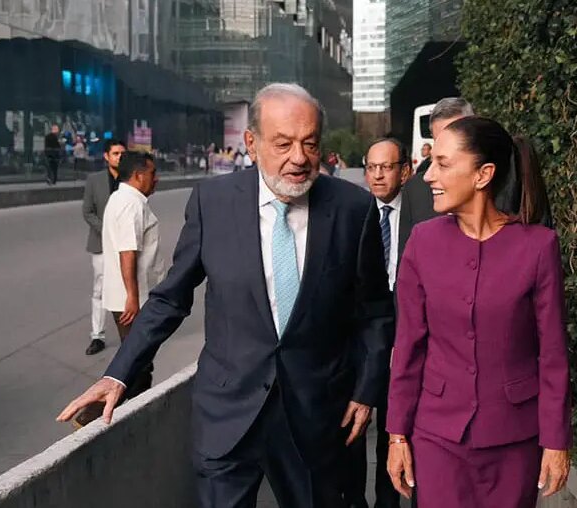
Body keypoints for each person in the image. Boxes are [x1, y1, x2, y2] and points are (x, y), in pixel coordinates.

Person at [57, 83, 394, 508]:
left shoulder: (352, 209)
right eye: (284, 143)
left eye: (310, 143)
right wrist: (118, 374)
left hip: (315, 416)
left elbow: (376, 313)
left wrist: (366, 390)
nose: (299, 158)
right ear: (251, 144)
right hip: (228, 414)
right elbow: (169, 298)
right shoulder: (213, 203)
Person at [385, 117, 572, 508]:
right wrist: (397, 435)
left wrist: (556, 440)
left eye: (443, 164)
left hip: (514, 438)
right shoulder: (423, 241)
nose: (429, 176)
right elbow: (408, 347)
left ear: (483, 174)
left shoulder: (538, 247)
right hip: (435, 435)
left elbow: (553, 354)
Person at [397, 98, 555, 261]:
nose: (430, 176)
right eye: (440, 139)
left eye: (459, 134)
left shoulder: (514, 181)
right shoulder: (416, 193)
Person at [72, 151, 162, 427]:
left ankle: (130, 415)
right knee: (137, 364)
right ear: (137, 175)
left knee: (137, 361)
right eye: (152, 173)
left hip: (128, 296)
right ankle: (94, 416)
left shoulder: (122, 199)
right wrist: (133, 298)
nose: (156, 179)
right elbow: (127, 253)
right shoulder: (130, 204)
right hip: (132, 299)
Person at [350, 138, 409, 508]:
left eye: (386, 167)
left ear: (405, 170)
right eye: (371, 167)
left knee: (395, 425)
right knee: (353, 427)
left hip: (405, 332)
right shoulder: (353, 213)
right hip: (363, 336)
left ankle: (388, 502)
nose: (377, 175)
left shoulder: (423, 213)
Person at [80, 138, 127, 356]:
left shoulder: (131, 179)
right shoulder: (95, 180)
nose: (119, 157)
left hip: (126, 245)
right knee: (99, 291)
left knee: (127, 289)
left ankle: (128, 335)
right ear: (106, 156)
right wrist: (107, 230)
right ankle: (97, 336)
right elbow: (87, 211)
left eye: (122, 153)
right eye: (115, 153)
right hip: (100, 245)